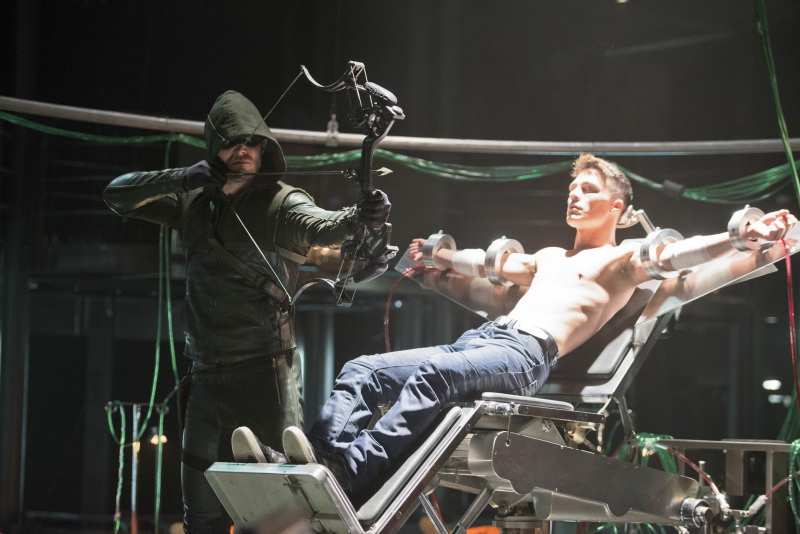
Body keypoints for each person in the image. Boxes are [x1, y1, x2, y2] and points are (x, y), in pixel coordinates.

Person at [232, 153, 796, 497]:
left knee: (433, 376)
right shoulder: (549, 256)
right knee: (364, 370)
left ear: (619, 209)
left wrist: (743, 238)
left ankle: (350, 473)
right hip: (485, 340)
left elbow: (676, 257)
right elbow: (487, 265)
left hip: (526, 356)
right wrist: (435, 258)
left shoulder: (622, 261)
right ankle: (317, 465)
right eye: (572, 189)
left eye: (589, 190)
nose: (575, 196)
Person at [103, 90, 391, 533]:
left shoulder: (282, 203)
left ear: (264, 147)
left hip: (266, 379)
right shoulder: (193, 203)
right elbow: (116, 195)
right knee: (199, 515)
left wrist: (363, 216)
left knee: (278, 512)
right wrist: (184, 177)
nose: (242, 149)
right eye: (231, 142)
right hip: (207, 379)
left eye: (251, 141)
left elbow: (329, 227)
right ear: (214, 150)